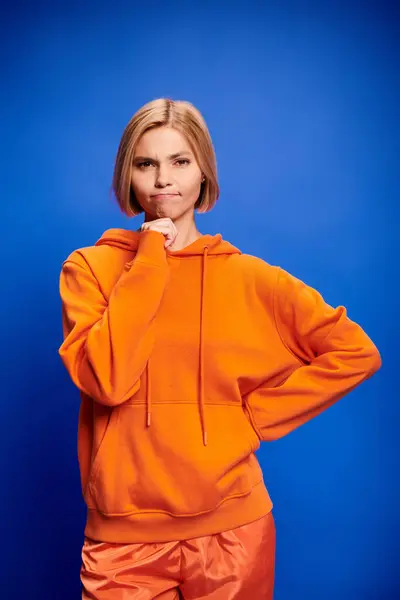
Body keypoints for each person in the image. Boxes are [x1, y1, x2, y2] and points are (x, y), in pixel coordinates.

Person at [58, 98, 382, 599]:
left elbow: (355, 351)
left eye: (180, 161)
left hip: (234, 530)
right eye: (147, 163)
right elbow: (109, 380)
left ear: (204, 172)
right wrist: (149, 258)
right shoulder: (90, 270)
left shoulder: (252, 279)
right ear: (128, 175)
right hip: (123, 540)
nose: (163, 179)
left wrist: (252, 420)